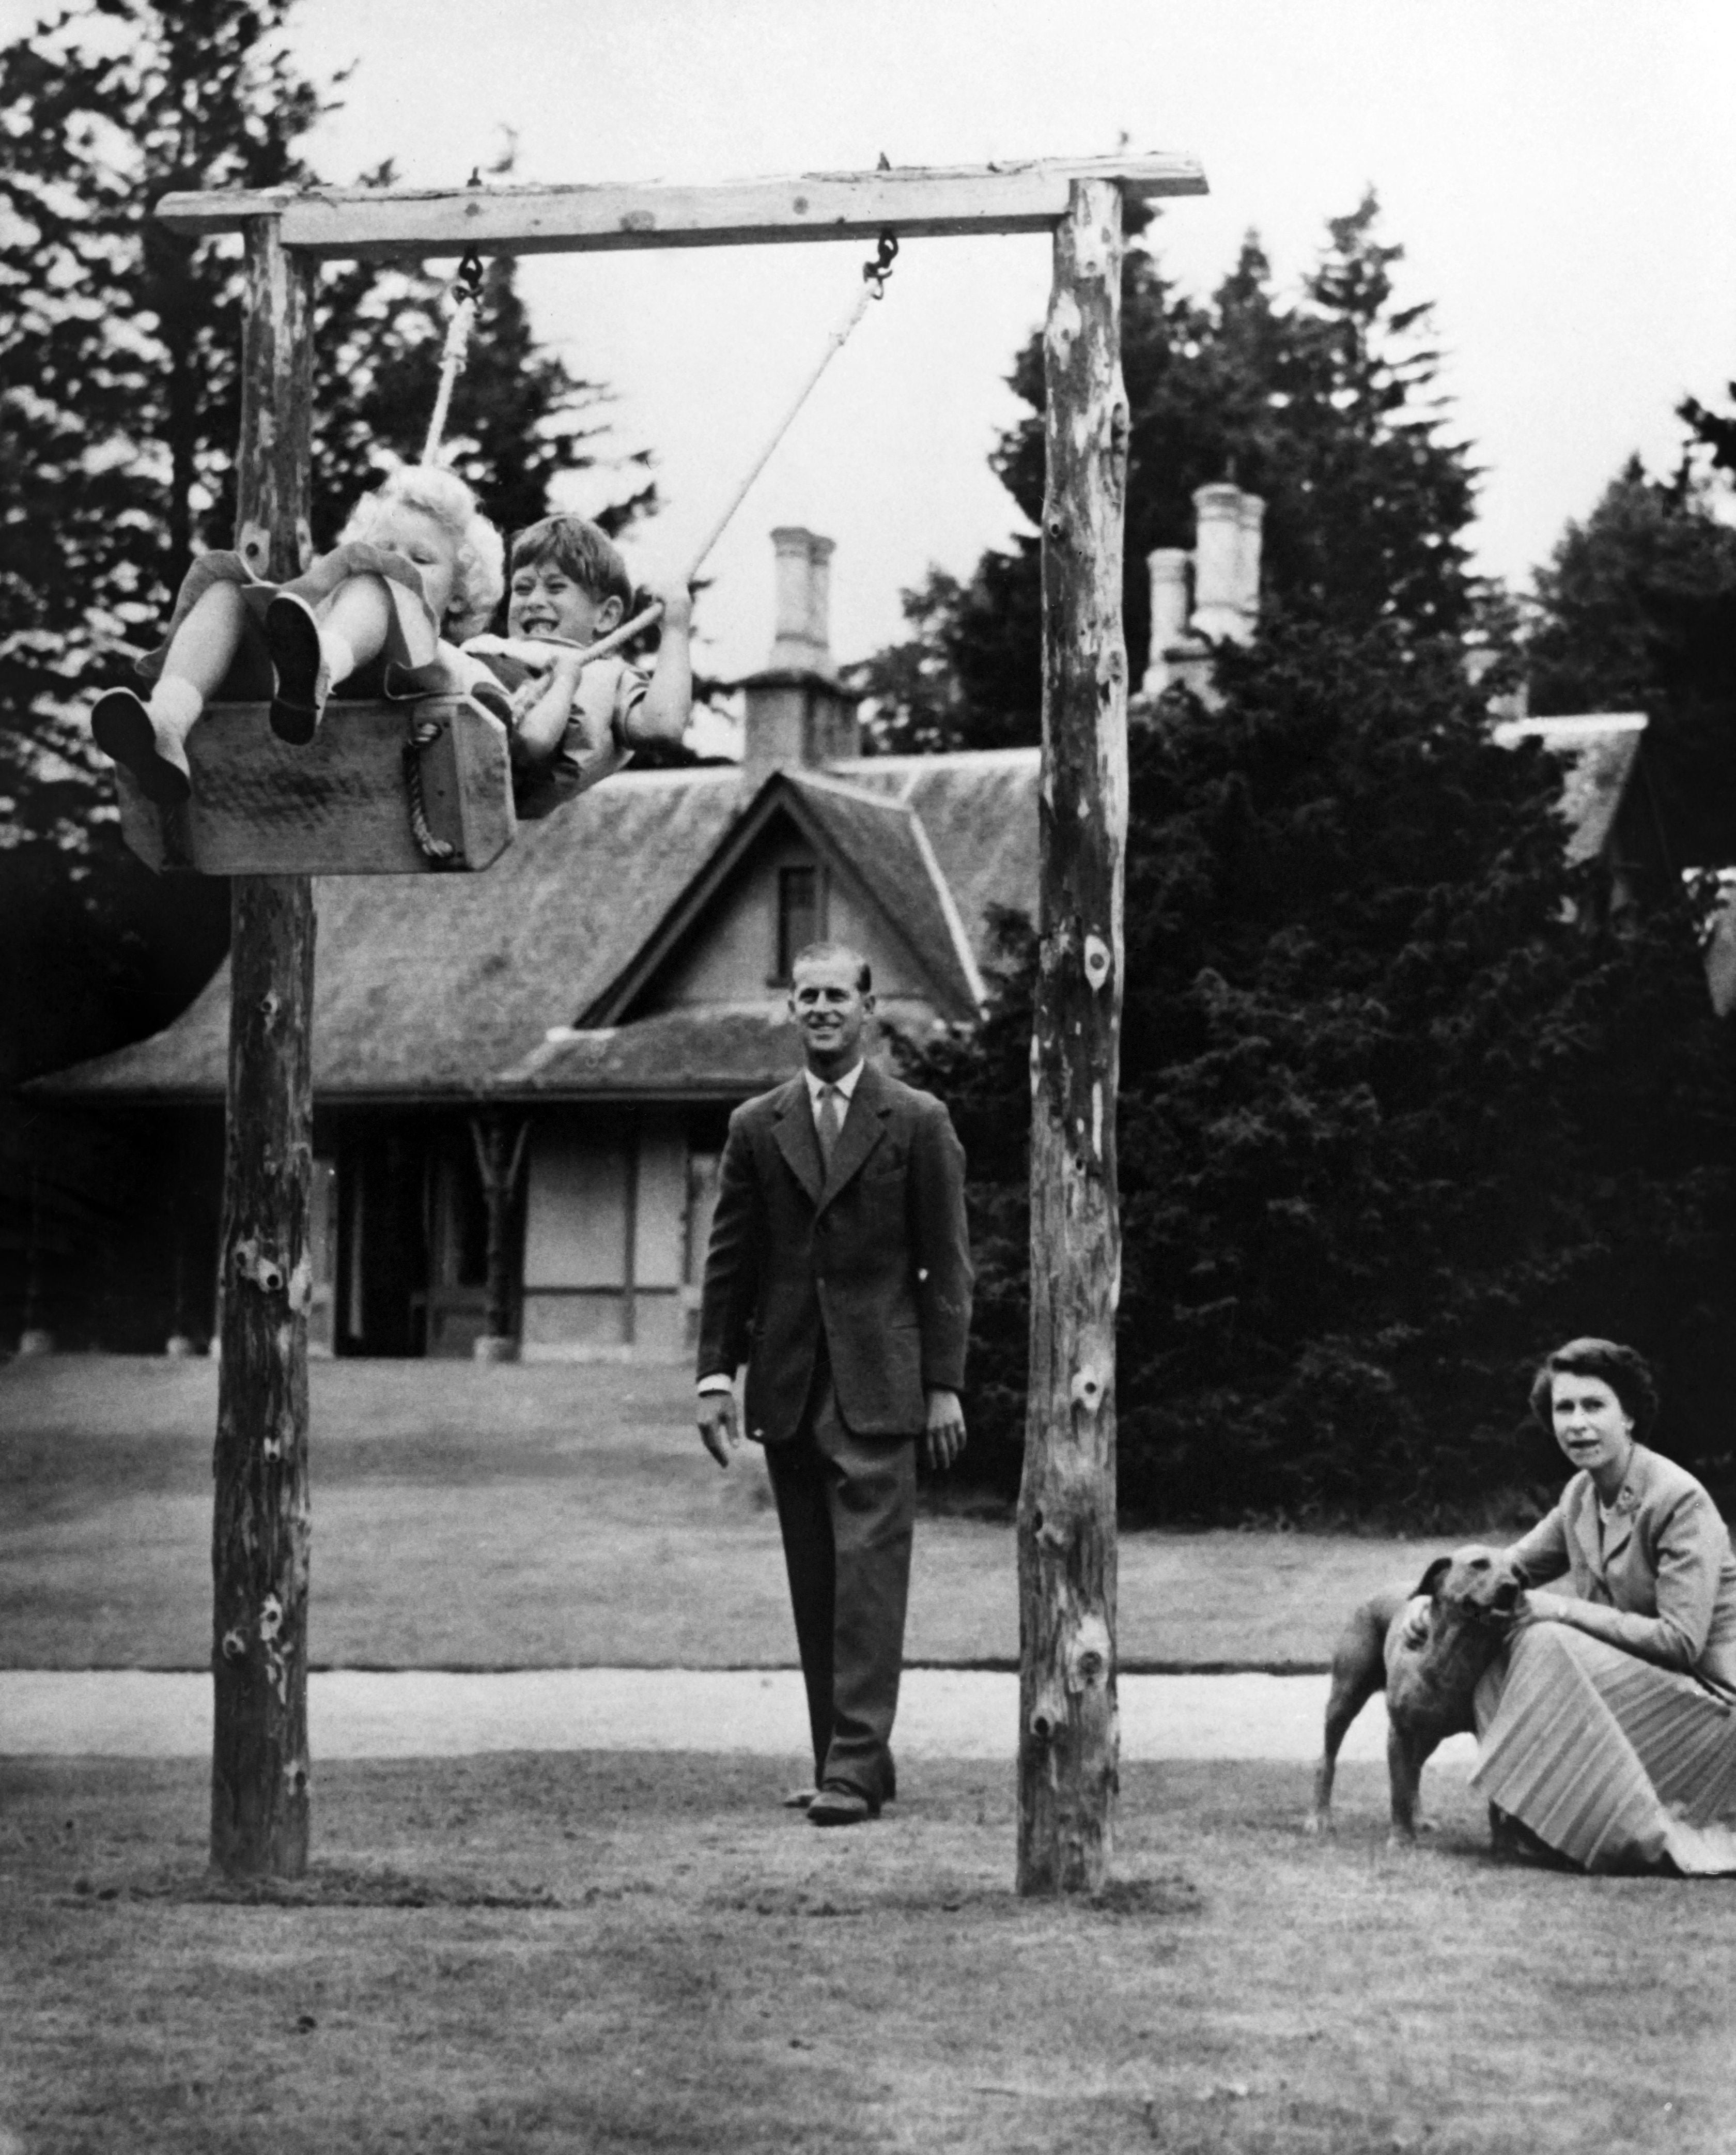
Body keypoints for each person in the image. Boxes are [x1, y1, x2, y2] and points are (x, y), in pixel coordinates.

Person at [694, 942, 972, 1827]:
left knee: (870, 1581)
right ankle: (841, 1762)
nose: (820, 1009)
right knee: (816, 1583)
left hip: (883, 1389)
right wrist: (714, 1376)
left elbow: (949, 1266)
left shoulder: (918, 1120)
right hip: (787, 1389)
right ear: (791, 1010)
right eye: (805, 996)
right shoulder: (757, 1126)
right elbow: (732, 1261)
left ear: (868, 1007)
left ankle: (854, 1768)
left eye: (836, 996)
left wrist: (944, 1384)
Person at [1470, 1337, 1736, 1874]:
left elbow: (1680, 1642)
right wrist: (1430, 1606)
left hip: (1716, 1708)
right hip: (1654, 1698)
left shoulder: (1677, 1499)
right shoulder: (1581, 1497)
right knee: (1495, 1636)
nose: (1577, 1424)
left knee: (1543, 1637)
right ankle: (1535, 1815)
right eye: (1564, 1408)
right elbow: (1506, 1569)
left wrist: (1563, 1611)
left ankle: (1584, 1823)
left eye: (1595, 1406)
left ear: (1630, 1416)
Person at [90, 464, 505, 806]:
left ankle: (320, 668)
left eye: (420, 560)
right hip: (282, 687)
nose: (392, 566)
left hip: (376, 682)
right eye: (381, 549)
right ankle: (168, 719)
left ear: (459, 595)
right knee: (227, 592)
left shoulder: (444, 654)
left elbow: (479, 691)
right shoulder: (347, 603)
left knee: (375, 589)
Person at [461, 513, 693, 820]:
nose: (533, 601)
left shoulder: (606, 676)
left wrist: (675, 629)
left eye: (555, 588)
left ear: (607, 616)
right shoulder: (489, 646)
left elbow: (662, 726)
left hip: (519, 756)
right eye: (523, 588)